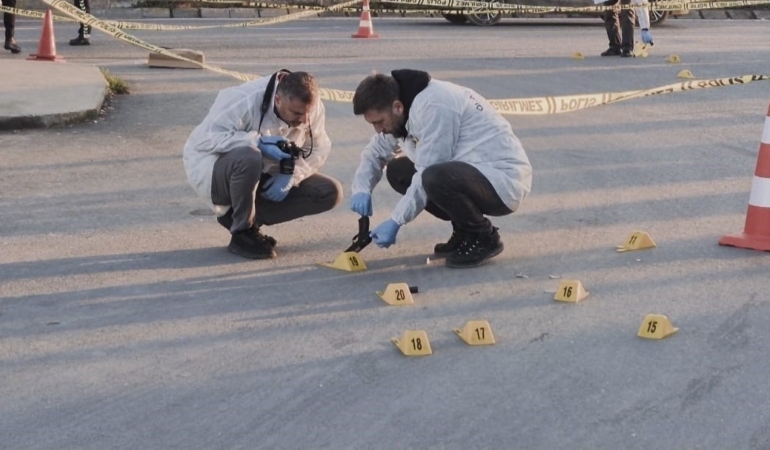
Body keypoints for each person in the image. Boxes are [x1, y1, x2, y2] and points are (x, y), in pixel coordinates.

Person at [349, 70, 532, 269]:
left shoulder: (435, 106)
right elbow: (375, 152)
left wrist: (396, 220)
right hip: (471, 172)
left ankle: (484, 237)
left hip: (504, 182)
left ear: (397, 107)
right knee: (399, 171)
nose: (378, 130)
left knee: (434, 177)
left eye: (379, 122)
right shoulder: (402, 107)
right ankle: (464, 230)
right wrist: (361, 189)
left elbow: (429, 169)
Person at [183, 70, 342, 260]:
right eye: (297, 113)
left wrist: (292, 176)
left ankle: (247, 220)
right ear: (277, 100)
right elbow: (204, 140)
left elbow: (318, 148)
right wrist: (255, 141)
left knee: (329, 191)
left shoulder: (310, 108)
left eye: (307, 114)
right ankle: (242, 232)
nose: (303, 120)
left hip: (265, 173)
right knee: (250, 155)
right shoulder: (243, 100)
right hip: (216, 173)